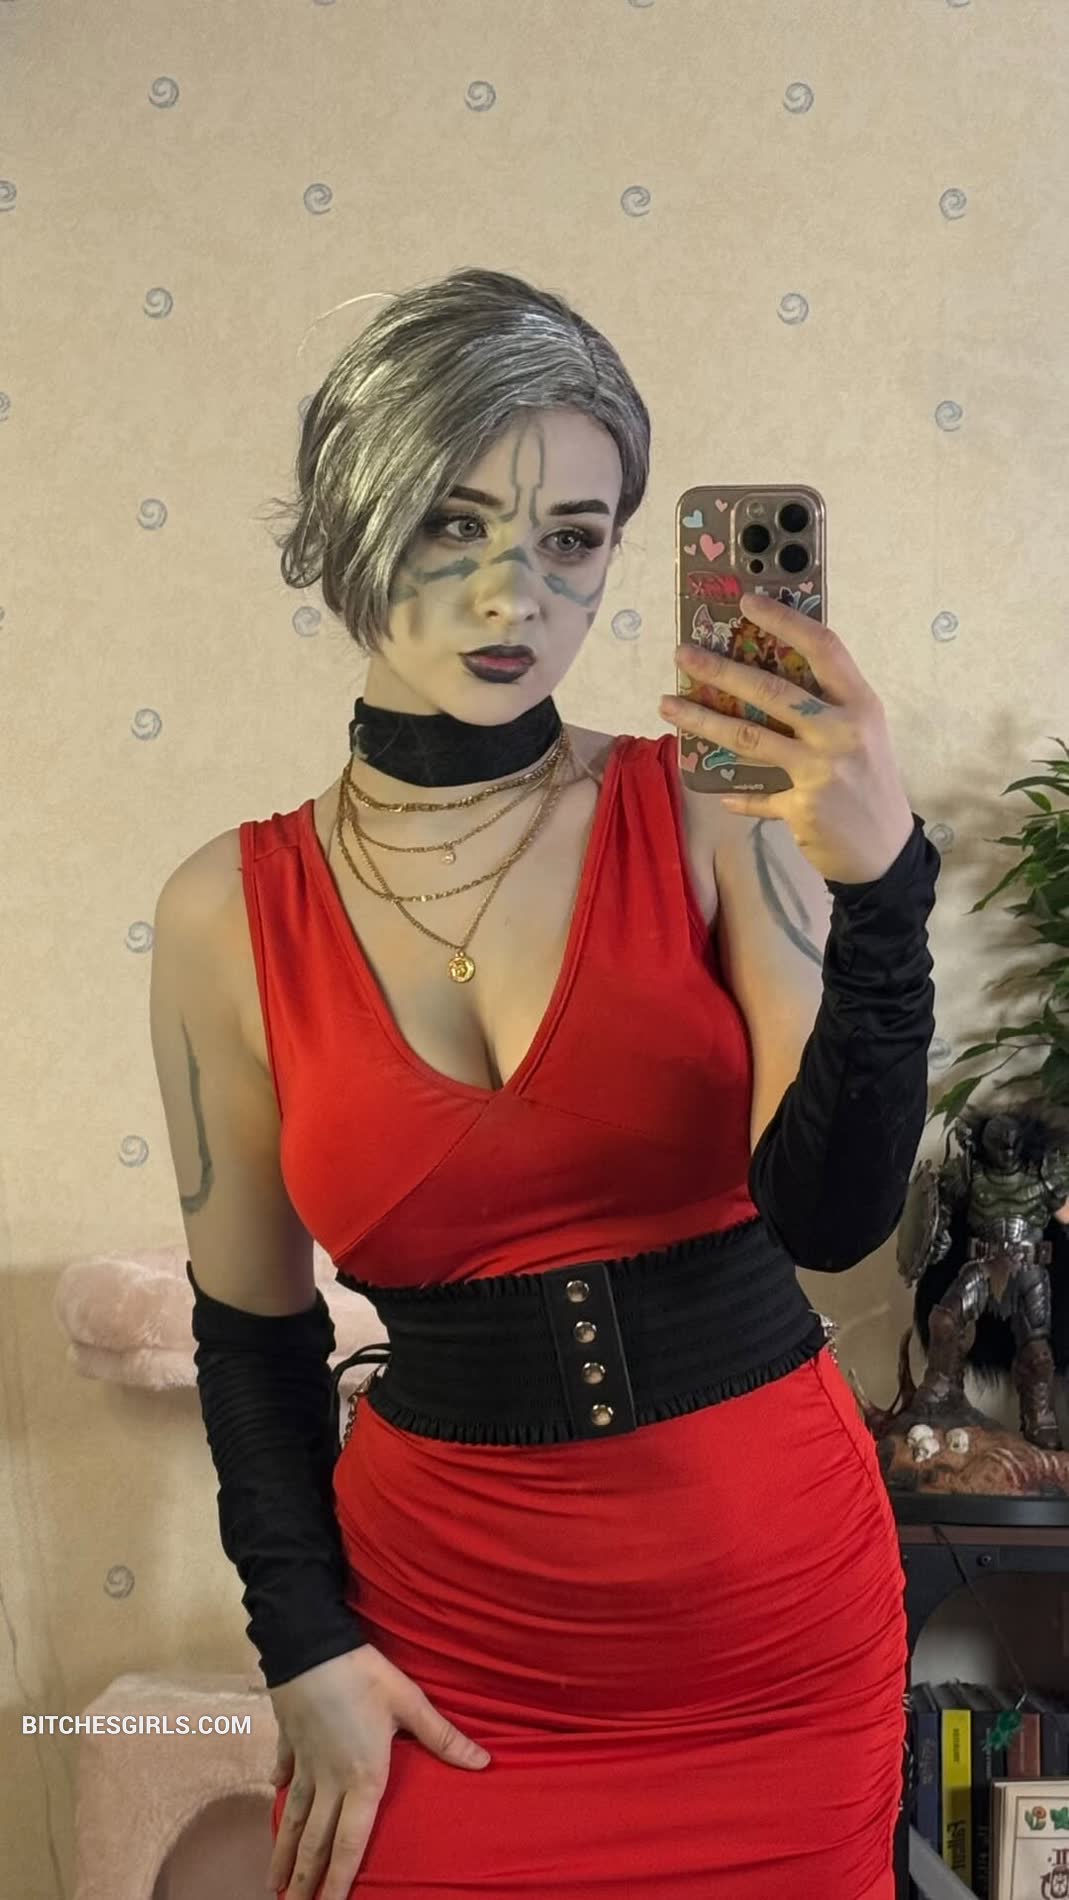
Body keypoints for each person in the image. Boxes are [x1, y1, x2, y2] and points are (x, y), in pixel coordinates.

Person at [149, 267, 940, 1899]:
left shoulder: (709, 811)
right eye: (453, 523)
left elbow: (833, 1217)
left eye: (573, 538)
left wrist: (881, 889)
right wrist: (302, 1644)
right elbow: (252, 1335)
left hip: (775, 1637)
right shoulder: (226, 911)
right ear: (352, 525)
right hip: (452, 1647)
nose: (516, 590)